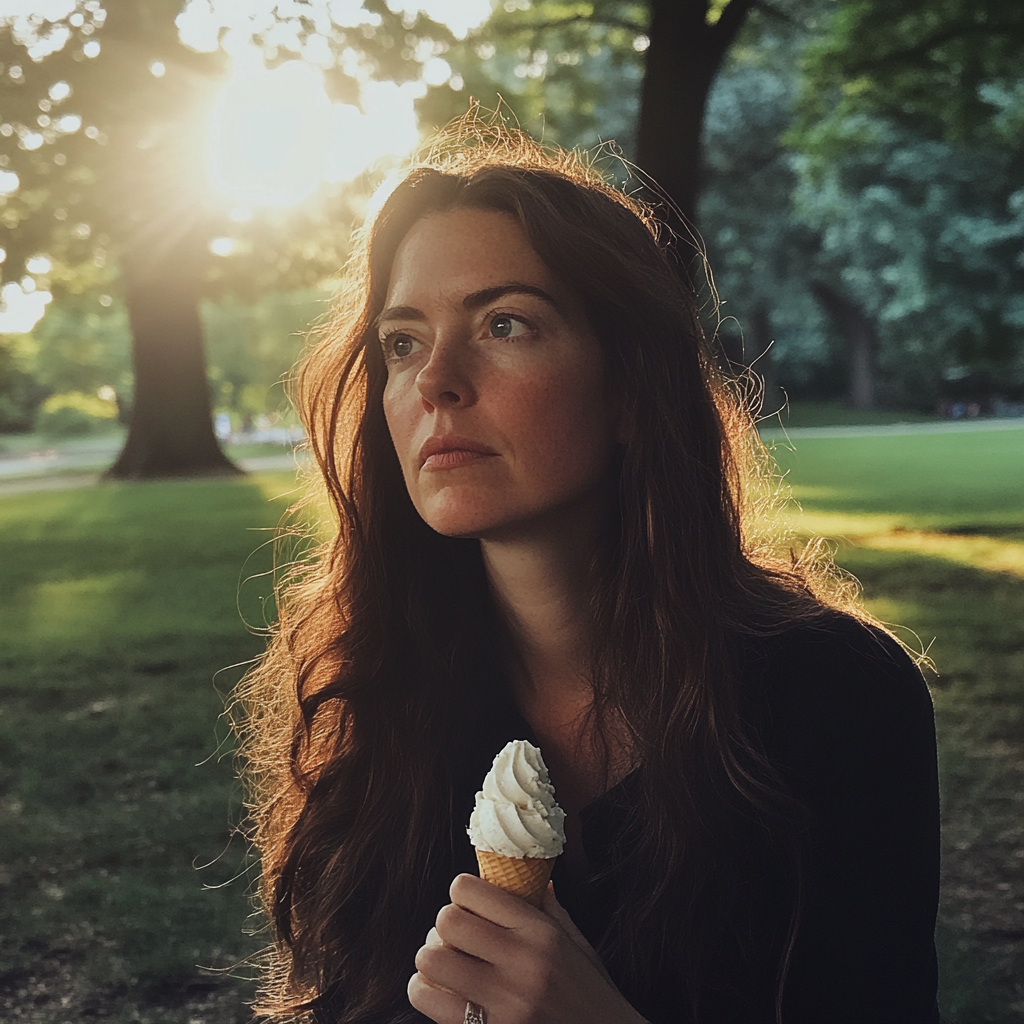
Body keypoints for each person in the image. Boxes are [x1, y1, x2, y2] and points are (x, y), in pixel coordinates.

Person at [236, 119, 940, 1024]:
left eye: (504, 324)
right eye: (402, 343)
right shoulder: (381, 692)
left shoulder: (838, 699)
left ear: (629, 389)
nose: (435, 382)